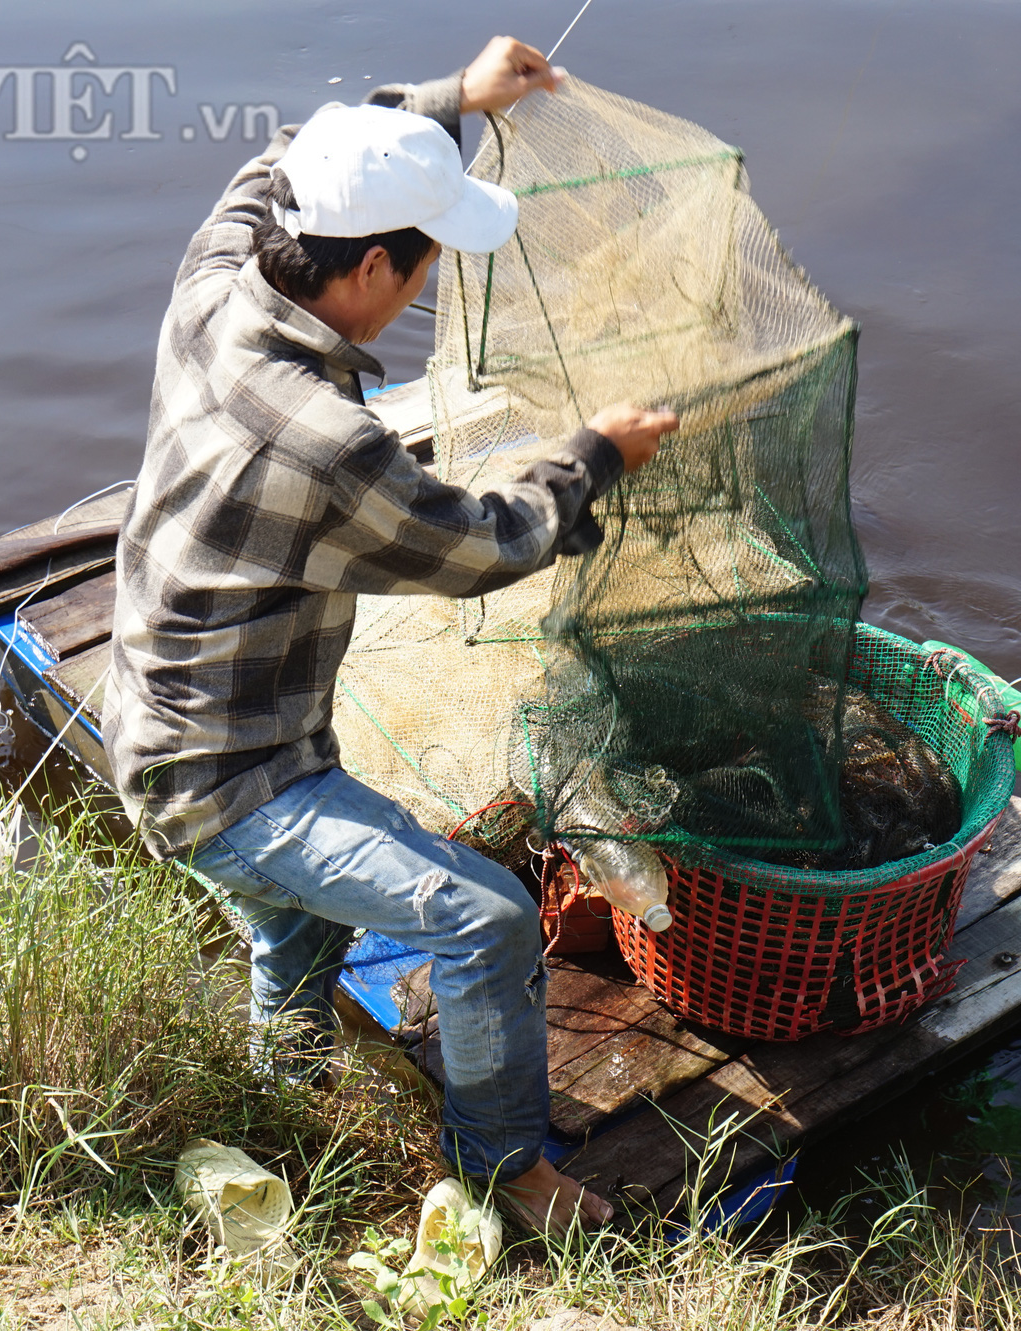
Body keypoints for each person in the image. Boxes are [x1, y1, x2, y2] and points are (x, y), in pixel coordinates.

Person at [101, 36, 677, 1235]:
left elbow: (276, 157)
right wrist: (592, 457)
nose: (421, 293)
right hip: (227, 775)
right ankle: (504, 1173)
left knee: (297, 923)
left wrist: (449, 102)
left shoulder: (218, 278)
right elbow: (487, 544)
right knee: (484, 917)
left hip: (161, 710)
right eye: (420, 266)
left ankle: (288, 1090)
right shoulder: (325, 441)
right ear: (371, 265)